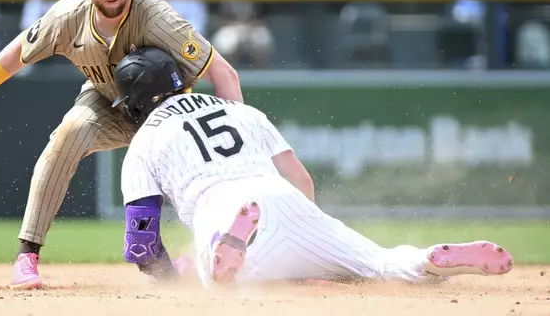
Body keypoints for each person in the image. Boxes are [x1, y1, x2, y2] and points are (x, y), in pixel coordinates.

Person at [0, 0, 243, 290]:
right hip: (105, 101)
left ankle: (202, 259)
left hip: (166, 115)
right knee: (67, 136)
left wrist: (236, 142)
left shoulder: (158, 18)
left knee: (190, 196)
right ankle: (27, 255)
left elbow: (223, 72)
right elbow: (18, 51)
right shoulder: (67, 17)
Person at [113, 47, 514, 287]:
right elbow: (300, 179)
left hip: (217, 207)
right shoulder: (238, 109)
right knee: (378, 264)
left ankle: (229, 246)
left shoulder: (143, 142)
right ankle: (426, 258)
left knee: (222, 290)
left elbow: (141, 246)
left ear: (133, 103)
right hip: (284, 196)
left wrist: (170, 279)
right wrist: (305, 230)